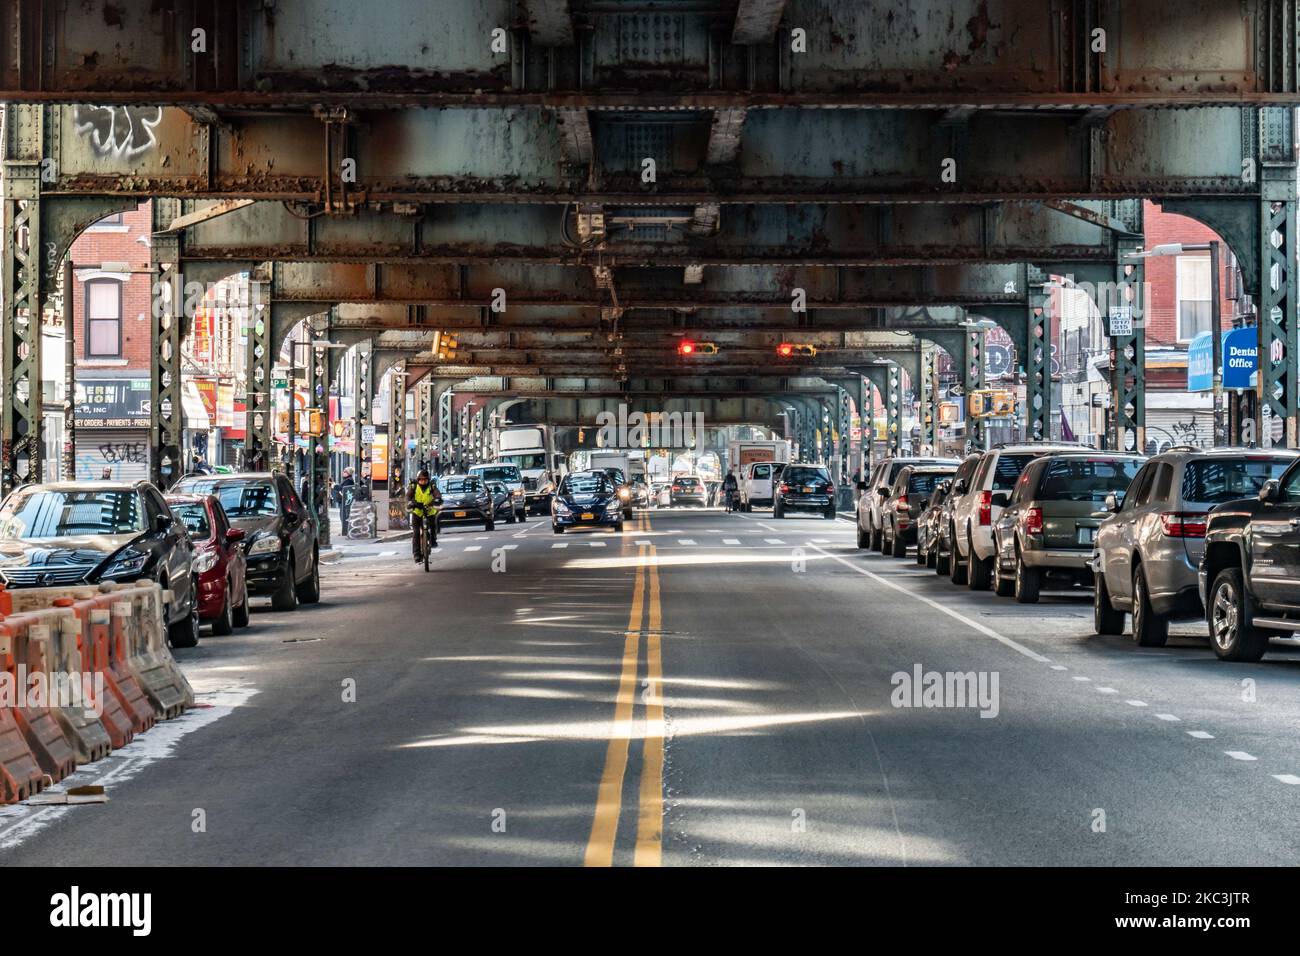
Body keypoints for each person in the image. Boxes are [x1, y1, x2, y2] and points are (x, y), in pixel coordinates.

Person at [407, 469, 442, 562]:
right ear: (418, 480)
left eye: (425, 479)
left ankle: (433, 539)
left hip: (429, 511)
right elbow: (408, 496)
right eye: (421, 479)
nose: (423, 481)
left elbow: (437, 494)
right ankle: (417, 555)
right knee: (416, 533)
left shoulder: (432, 486)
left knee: (433, 525)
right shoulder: (413, 486)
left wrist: (437, 499)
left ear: (428, 479)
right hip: (417, 512)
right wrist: (411, 502)